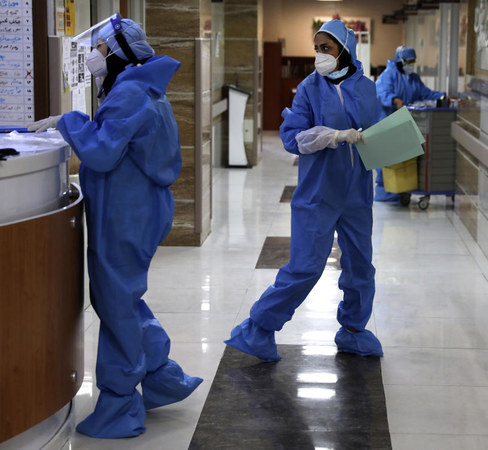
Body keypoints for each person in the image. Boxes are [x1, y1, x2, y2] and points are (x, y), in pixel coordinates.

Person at [27, 15, 202, 438]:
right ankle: (159, 375)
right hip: (134, 210)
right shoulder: (141, 89)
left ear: (120, 52)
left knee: (116, 302)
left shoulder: (130, 95)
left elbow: (102, 153)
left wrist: (69, 122)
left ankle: (121, 405)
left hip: (125, 214)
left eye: (101, 48)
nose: (95, 55)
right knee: (122, 298)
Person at [225, 19, 383, 362]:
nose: (319, 56)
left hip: (357, 194)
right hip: (318, 193)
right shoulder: (310, 88)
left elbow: (380, 132)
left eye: (326, 49)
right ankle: (258, 329)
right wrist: (334, 135)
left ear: (344, 51)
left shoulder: (367, 89)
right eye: (316, 49)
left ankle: (354, 331)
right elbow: (292, 138)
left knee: (361, 265)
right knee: (306, 267)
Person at [374, 45, 446, 202]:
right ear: (400, 61)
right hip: (387, 121)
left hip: (403, 124)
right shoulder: (388, 75)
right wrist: (395, 99)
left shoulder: (413, 78)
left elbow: (425, 93)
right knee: (387, 160)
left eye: (413, 61)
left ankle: (401, 190)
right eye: (408, 61)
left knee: (402, 159)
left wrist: (443, 96)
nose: (411, 64)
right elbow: (380, 92)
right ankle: (385, 193)